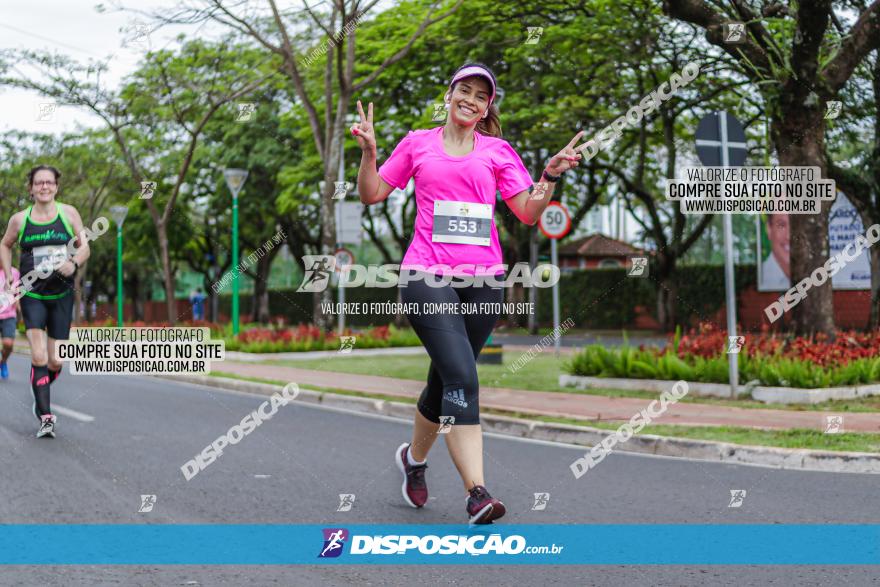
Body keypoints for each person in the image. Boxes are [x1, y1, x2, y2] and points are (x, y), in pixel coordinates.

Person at [353, 62, 584, 524]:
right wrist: (370, 153)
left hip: (484, 282)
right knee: (464, 379)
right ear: (450, 93)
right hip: (427, 276)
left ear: (486, 108)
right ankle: (477, 493)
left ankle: (413, 462)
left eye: (482, 95)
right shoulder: (417, 143)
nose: (472, 99)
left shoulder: (498, 151)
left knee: (444, 382)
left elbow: (527, 213)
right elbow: (371, 194)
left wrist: (550, 176)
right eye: (466, 90)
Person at [0, 165, 90, 438]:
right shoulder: (20, 219)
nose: (44, 187)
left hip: (61, 295)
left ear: (56, 186)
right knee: (38, 355)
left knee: (55, 362)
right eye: (39, 183)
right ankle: (45, 414)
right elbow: (5, 244)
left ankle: (40, 384)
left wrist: (73, 262)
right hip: (33, 294)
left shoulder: (68, 213)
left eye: (49, 182)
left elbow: (85, 245)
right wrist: (7, 276)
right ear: (31, 188)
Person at [0, 267, 21, 379]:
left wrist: (18, 306)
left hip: (9, 314)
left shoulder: (14, 272)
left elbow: (17, 291)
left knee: (8, 344)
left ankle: (3, 361)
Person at [761, 214, 790, 290]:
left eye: (796, 225)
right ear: (769, 229)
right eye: (781, 225)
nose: (789, 236)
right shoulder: (759, 278)